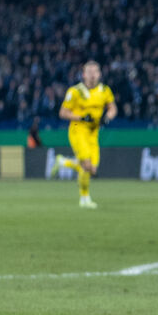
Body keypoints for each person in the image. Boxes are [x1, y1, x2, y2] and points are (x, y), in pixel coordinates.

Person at [49, 60, 117, 208]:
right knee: (86, 165)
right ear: (83, 75)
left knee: (92, 169)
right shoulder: (75, 92)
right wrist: (81, 117)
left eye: (95, 72)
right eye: (89, 72)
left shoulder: (104, 90)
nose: (92, 75)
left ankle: (63, 162)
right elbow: (63, 112)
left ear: (99, 74)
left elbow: (113, 108)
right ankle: (84, 199)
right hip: (78, 129)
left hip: (94, 133)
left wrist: (107, 117)